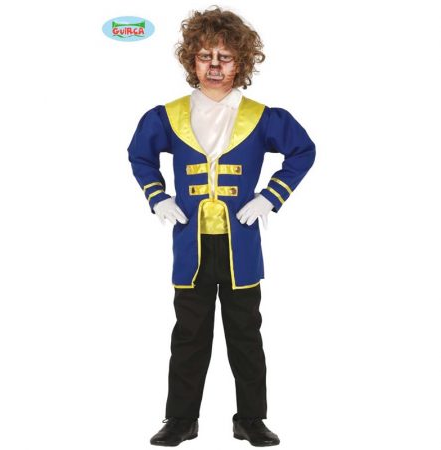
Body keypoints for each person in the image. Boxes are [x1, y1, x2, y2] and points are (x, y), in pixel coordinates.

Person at [127, 6, 316, 447]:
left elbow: (303, 151)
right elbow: (140, 154)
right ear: (191, 60)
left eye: (225, 57)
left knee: (245, 335)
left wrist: (271, 196)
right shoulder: (168, 115)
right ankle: (181, 420)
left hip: (240, 246)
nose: (214, 66)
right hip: (190, 244)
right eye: (205, 56)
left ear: (241, 62)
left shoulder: (262, 116)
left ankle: (250, 419)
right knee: (189, 335)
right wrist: (158, 196)